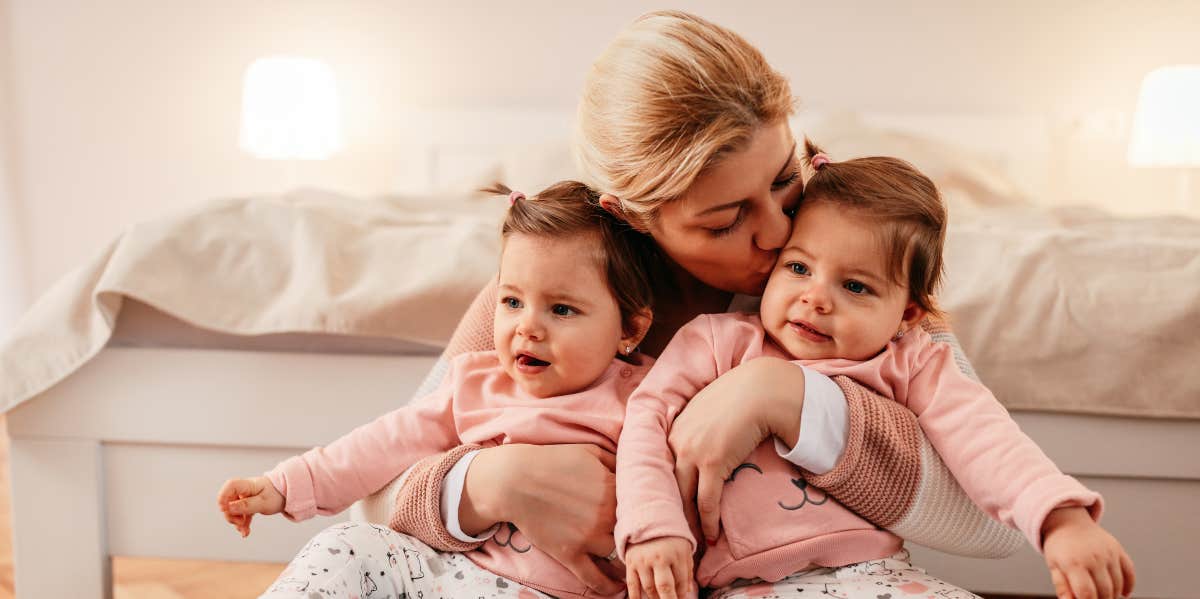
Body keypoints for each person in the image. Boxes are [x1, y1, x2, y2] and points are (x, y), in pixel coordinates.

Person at [268, 9, 1029, 599]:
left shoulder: (841, 272)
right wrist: (489, 484)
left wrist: (791, 395)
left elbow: (993, 521)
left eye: (786, 178)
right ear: (632, 215)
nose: (777, 230)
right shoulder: (558, 291)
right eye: (726, 218)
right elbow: (376, 498)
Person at [617, 142, 1136, 599]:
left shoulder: (912, 358)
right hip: (746, 584)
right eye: (798, 268)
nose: (815, 299)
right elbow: (645, 422)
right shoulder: (718, 340)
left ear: (907, 313)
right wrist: (653, 529)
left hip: (877, 573)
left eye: (857, 287)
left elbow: (985, 438)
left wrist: (1062, 520)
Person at [218, 182, 658, 599]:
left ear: (631, 328)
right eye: (511, 302)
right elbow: (382, 445)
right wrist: (285, 485)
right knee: (348, 545)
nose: (527, 326)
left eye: (561, 309)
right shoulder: (476, 381)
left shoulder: (648, 398)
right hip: (445, 575)